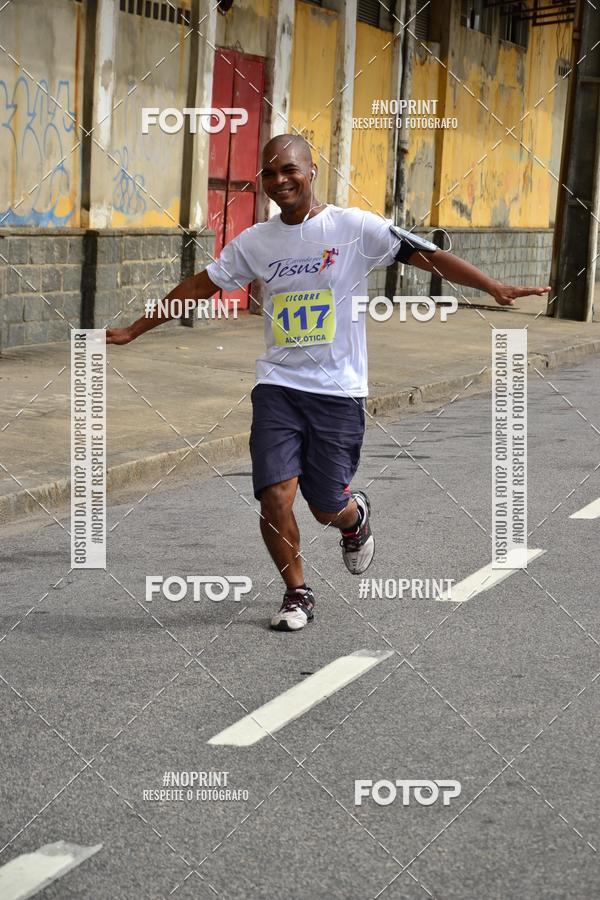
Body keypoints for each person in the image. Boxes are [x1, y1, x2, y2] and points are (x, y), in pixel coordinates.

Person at [107, 134, 550, 632]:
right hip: (278, 385)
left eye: (289, 170)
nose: (279, 181)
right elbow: (199, 285)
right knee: (275, 497)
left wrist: (491, 285)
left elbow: (424, 253)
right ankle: (297, 592)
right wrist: (134, 330)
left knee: (324, 506)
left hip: (339, 390)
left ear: (312, 171)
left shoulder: (354, 228)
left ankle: (352, 517)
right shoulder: (256, 241)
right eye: (269, 173)